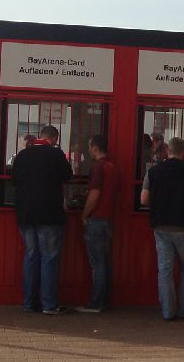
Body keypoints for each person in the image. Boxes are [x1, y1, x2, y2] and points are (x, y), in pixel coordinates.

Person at [10, 123, 73, 315]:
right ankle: (49, 304)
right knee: (49, 258)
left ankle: (29, 303)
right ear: (54, 139)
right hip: (49, 214)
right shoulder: (56, 155)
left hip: (26, 215)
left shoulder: (21, 156)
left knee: (31, 256)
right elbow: (68, 176)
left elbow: (13, 181)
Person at [141, 136, 184, 321]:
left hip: (162, 226)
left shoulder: (154, 171)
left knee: (165, 270)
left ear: (168, 150)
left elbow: (143, 199)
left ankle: (168, 312)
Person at [77, 135, 119, 313]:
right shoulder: (113, 167)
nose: (89, 151)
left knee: (97, 263)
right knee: (105, 261)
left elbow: (94, 195)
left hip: (96, 219)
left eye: (89, 147)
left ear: (94, 147)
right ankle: (104, 298)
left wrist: (84, 215)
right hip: (108, 218)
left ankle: (96, 303)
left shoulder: (98, 168)